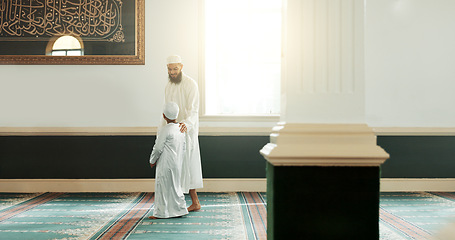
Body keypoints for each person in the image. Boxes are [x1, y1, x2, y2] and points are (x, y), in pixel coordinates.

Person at [160, 55, 203, 212]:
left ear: (181, 67)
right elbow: (166, 109)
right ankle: (173, 204)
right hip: (172, 131)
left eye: (175, 69)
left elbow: (194, 109)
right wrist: (164, 130)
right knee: (173, 167)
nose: (172, 72)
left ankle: (195, 202)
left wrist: (186, 124)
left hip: (186, 131)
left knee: (187, 166)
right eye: (170, 69)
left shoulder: (191, 84)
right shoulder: (168, 86)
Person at [149, 102, 189, 219]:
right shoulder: (181, 130)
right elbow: (184, 147)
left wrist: (152, 160)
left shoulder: (165, 130)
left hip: (165, 163)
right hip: (177, 163)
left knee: (163, 187)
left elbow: (158, 148)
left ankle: (161, 213)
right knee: (175, 186)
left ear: (164, 115)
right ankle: (179, 210)